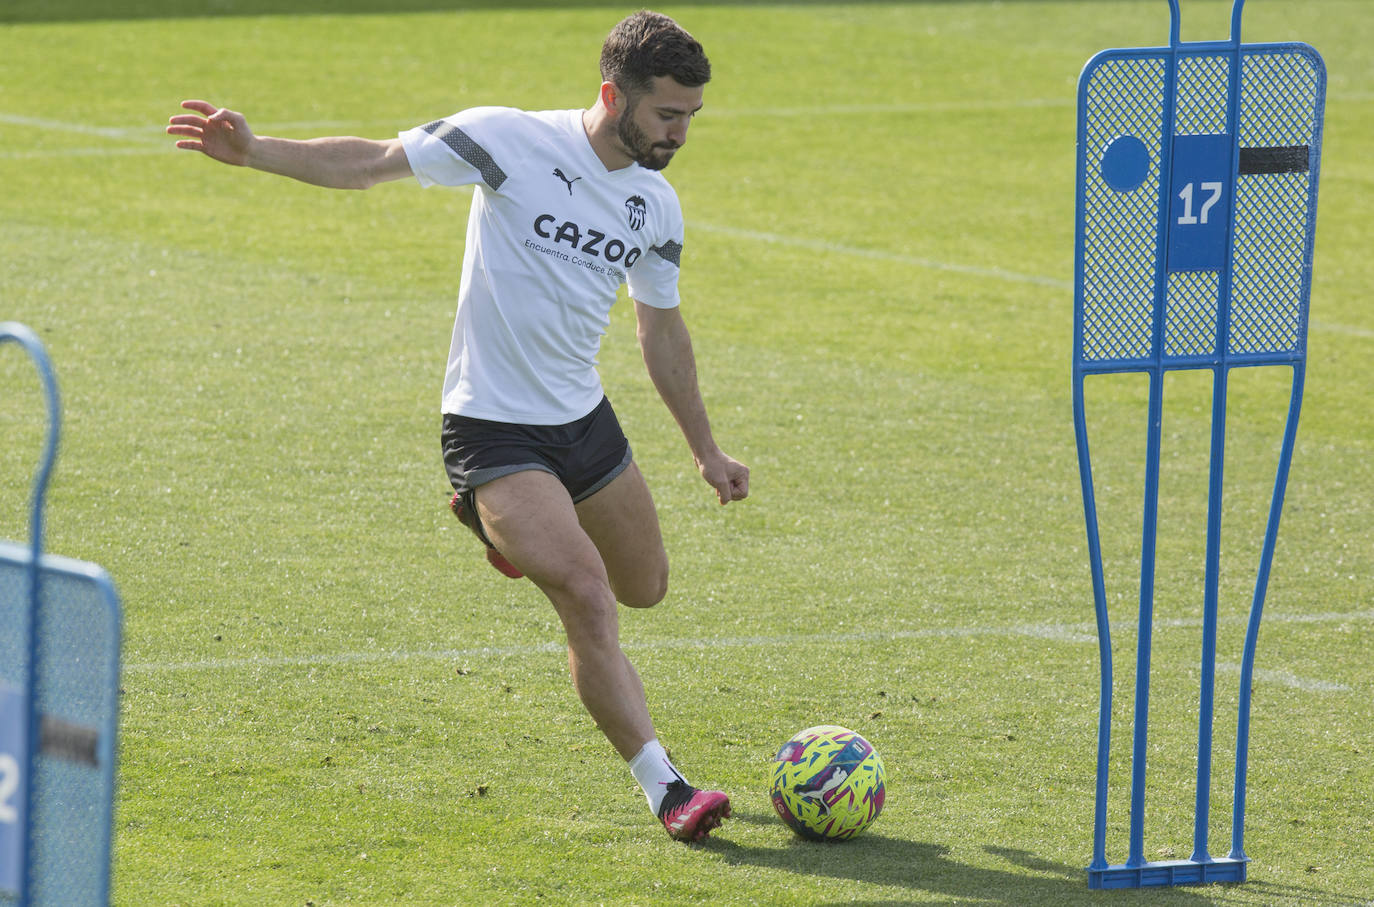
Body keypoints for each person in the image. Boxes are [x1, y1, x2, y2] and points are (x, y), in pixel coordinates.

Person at [166, 11, 747, 842]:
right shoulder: (505, 140)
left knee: (643, 586)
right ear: (614, 94)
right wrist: (257, 150)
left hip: (582, 421)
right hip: (491, 427)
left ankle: (502, 528)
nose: (680, 133)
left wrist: (705, 448)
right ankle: (666, 786)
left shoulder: (657, 205)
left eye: (691, 116)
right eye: (667, 114)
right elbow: (370, 163)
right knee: (585, 592)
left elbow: (662, 331)